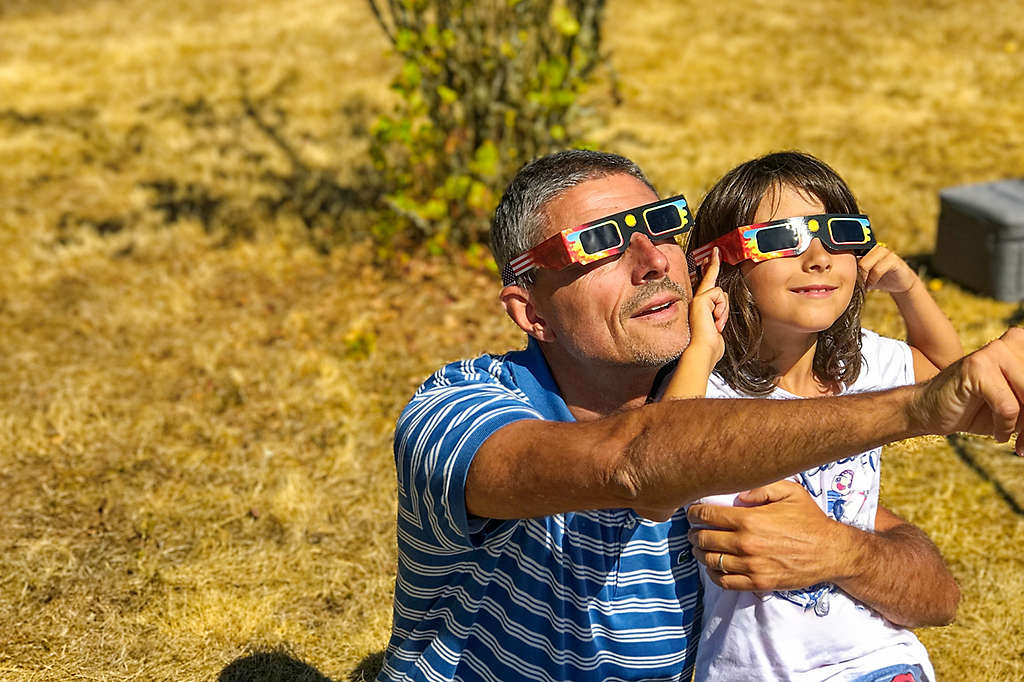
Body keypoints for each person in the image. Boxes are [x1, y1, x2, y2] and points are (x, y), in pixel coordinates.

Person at [378, 149, 1024, 682]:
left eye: (662, 225)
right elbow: (638, 466)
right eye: (600, 245)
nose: (654, 259)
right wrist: (921, 405)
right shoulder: (457, 410)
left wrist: (844, 553)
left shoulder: (736, 401)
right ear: (531, 311)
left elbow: (935, 595)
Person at [662, 151, 962, 681]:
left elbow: (944, 369)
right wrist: (701, 349)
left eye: (840, 233)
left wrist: (909, 288)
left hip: (878, 656)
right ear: (718, 265)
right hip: (755, 668)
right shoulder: (709, 384)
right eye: (782, 239)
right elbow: (663, 454)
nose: (819, 256)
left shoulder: (855, 366)